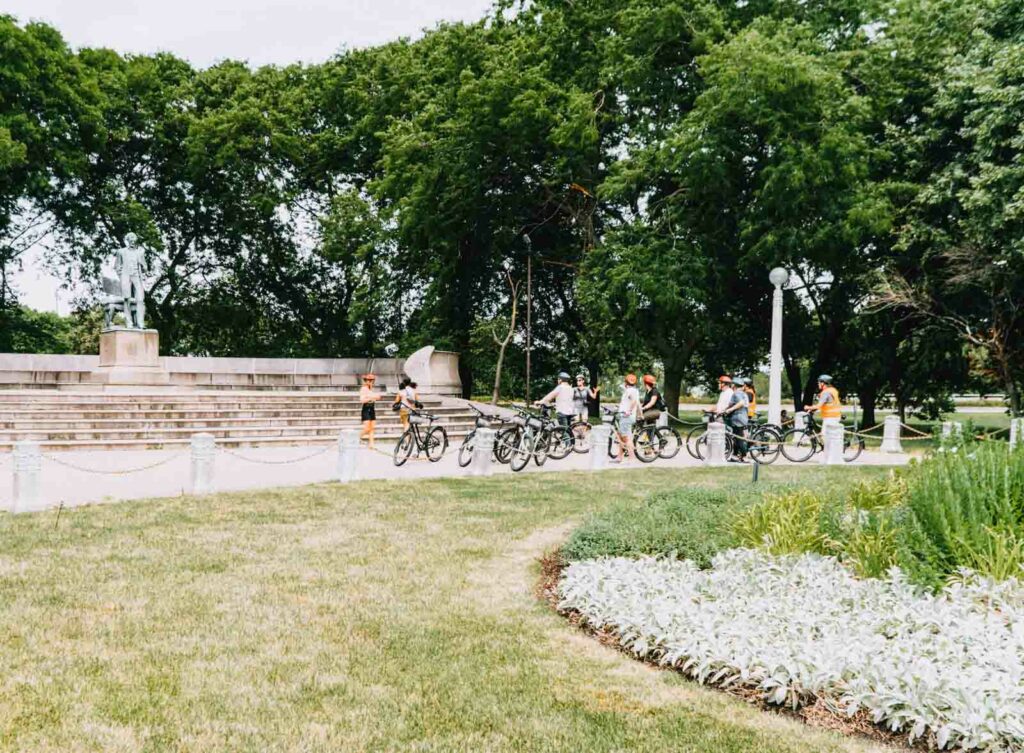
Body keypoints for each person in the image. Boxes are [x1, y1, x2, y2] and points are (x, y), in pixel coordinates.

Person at [612, 373, 640, 463]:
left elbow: (634, 401)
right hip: (627, 416)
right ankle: (619, 457)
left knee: (626, 438)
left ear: (625, 382)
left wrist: (628, 411)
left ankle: (632, 458)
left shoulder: (629, 391)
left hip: (626, 417)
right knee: (621, 436)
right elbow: (634, 402)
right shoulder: (634, 390)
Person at [721, 377, 749, 461]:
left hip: (738, 419)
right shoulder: (744, 394)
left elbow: (741, 403)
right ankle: (735, 455)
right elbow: (731, 404)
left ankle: (744, 456)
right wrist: (724, 410)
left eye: (732, 384)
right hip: (743, 418)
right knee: (736, 437)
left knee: (738, 438)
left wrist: (730, 410)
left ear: (734, 385)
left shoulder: (736, 393)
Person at [359, 373, 382, 448]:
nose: (370, 382)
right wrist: (371, 397)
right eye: (369, 380)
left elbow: (378, 397)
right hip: (366, 408)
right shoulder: (364, 389)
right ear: (366, 381)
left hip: (372, 408)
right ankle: (356, 437)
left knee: (372, 428)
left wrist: (375, 397)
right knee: (367, 428)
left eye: (372, 381)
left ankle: (371, 444)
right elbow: (362, 400)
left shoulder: (370, 390)